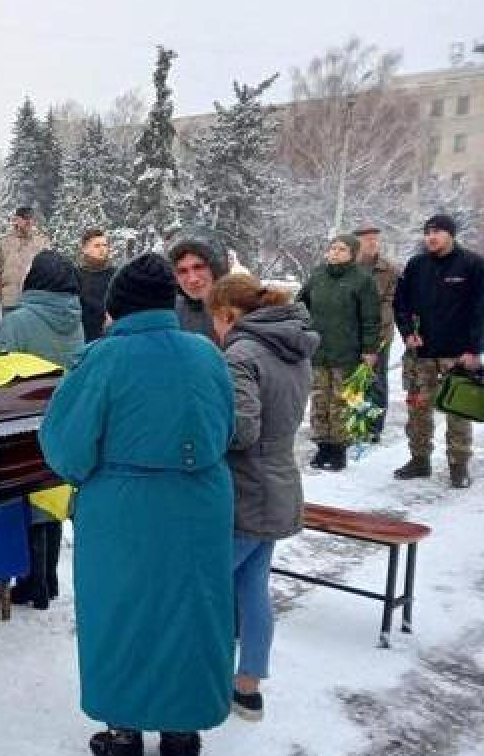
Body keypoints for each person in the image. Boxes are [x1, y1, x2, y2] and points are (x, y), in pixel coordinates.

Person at [39, 253, 234, 756]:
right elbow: (227, 428)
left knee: (122, 615)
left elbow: (66, 449)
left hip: (125, 511)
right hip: (201, 503)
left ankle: (124, 732)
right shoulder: (207, 354)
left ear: (117, 307)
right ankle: (181, 732)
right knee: (192, 613)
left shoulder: (104, 359)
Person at [208, 274, 318, 724]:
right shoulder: (292, 347)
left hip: (247, 490)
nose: (215, 330)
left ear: (229, 314)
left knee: (206, 587)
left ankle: (201, 679)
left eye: (216, 321)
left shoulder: (241, 354)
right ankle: (248, 688)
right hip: (280, 482)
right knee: (253, 588)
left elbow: (243, 429)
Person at [0, 250, 84, 610]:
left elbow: (0, 373)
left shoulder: (18, 321)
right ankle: (49, 579)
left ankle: (32, 584)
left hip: (24, 420)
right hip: (64, 419)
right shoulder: (74, 319)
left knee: (27, 498)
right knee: (52, 494)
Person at [392, 214, 484, 489]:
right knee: (418, 408)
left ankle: (458, 464)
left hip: (457, 354)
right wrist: (407, 333)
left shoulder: (473, 265)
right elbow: (400, 303)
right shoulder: (417, 265)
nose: (431, 237)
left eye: (438, 232)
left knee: (458, 411)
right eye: (428, 232)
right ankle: (419, 459)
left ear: (451, 235)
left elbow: (481, 310)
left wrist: (474, 349)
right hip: (422, 353)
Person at [296, 234, 381, 471]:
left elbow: (371, 318)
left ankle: (338, 449)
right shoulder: (318, 275)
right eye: (332, 248)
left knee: (341, 400)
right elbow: (300, 304)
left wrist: (370, 349)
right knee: (319, 399)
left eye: (341, 249)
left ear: (352, 254)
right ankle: (322, 445)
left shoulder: (362, 279)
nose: (335, 253)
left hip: (347, 351)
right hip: (318, 349)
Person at [354, 225, 400, 442]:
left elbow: (390, 304)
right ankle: (354, 424)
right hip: (351, 334)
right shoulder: (349, 266)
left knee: (376, 382)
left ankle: (373, 428)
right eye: (367, 239)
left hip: (380, 334)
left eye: (375, 239)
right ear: (358, 242)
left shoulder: (388, 269)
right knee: (353, 380)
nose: (372, 243)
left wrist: (373, 335)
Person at [0, 206, 50, 310]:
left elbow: (49, 269)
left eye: (30, 218)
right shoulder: (3, 242)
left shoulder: (42, 242)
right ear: (16, 220)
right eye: (24, 218)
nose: (28, 221)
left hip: (34, 301)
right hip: (10, 299)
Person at [167, 239, 228, 338]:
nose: (192, 279)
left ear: (215, 269)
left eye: (198, 267)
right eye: (182, 271)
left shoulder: (242, 307)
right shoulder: (171, 314)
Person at [76, 229, 116, 342]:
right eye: (97, 246)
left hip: (112, 338)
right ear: (84, 249)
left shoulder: (117, 276)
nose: (102, 249)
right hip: (83, 339)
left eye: (105, 245)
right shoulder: (74, 276)